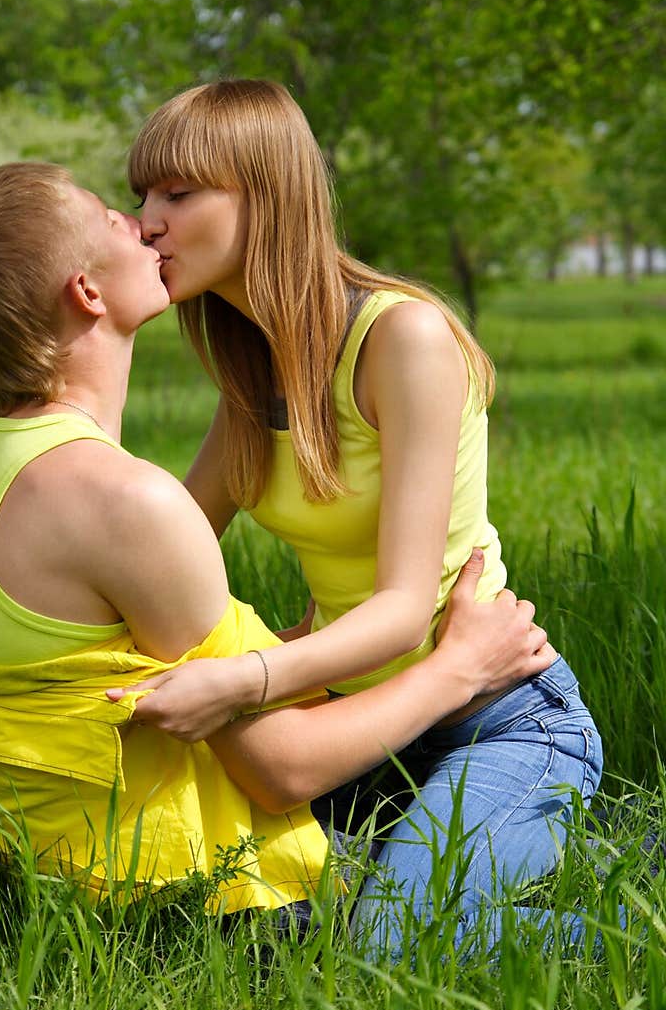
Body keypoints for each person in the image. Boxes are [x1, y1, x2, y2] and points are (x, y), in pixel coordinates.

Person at [0, 160, 555, 942]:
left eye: (167, 200)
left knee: (407, 897)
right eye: (119, 215)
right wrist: (461, 667)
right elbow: (282, 769)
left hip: (66, 888)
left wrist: (284, 654)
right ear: (87, 293)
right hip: (170, 894)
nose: (143, 222)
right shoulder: (127, 502)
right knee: (387, 939)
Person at [107, 77, 605, 956]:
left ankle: (631, 929)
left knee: (383, 942)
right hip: (365, 730)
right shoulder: (251, 378)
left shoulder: (399, 339)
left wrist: (243, 679)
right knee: (195, 908)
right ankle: (554, 861)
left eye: (179, 194)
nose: (147, 221)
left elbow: (404, 609)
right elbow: (161, 546)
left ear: (266, 199)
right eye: (142, 195)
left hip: (500, 714)